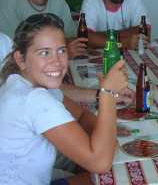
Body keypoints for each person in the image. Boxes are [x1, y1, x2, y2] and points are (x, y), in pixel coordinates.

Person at [0, 13, 128, 185]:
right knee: (117, 179)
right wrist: (109, 94)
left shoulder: (24, 83)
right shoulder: (34, 99)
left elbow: (81, 115)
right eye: (44, 52)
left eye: (61, 50)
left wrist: (106, 136)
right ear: (20, 59)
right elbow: (100, 163)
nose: (57, 61)